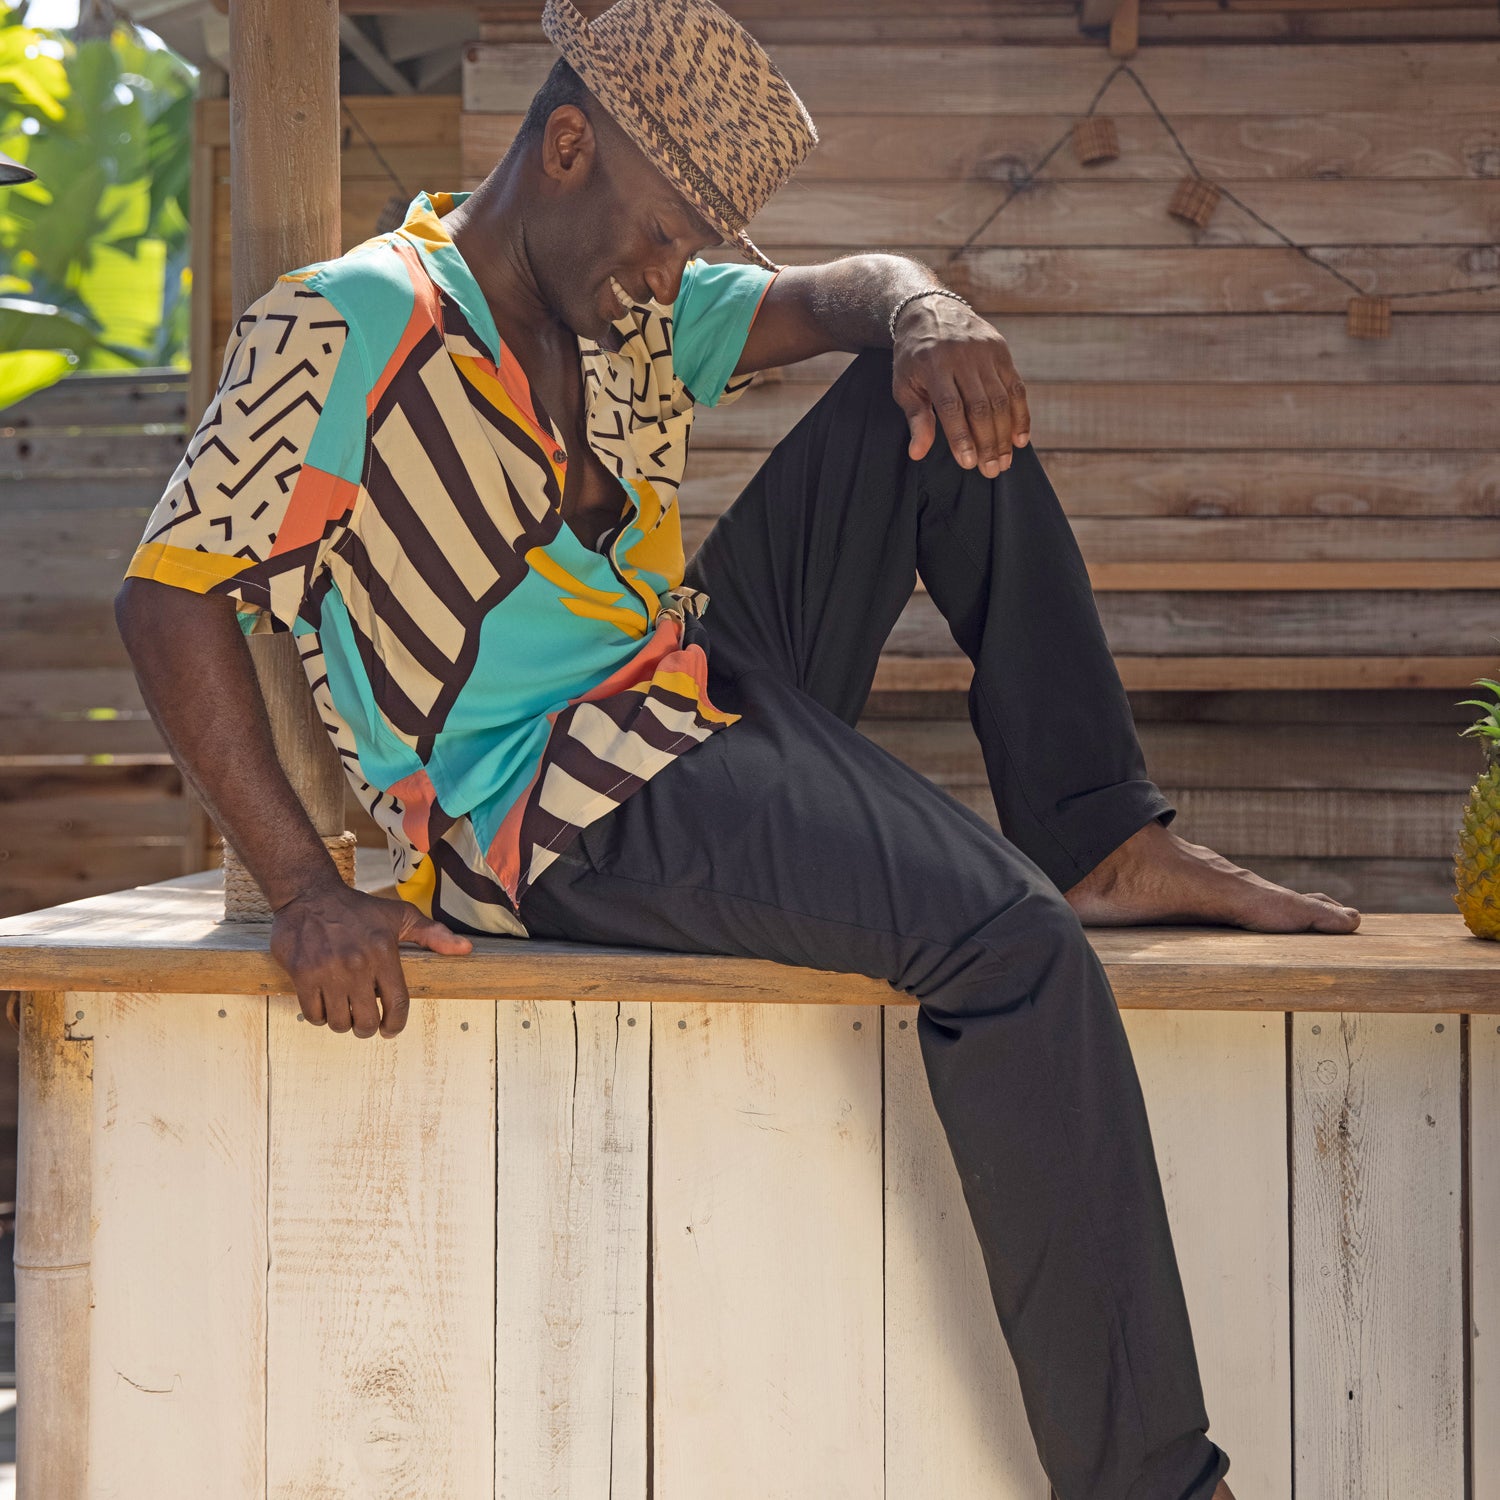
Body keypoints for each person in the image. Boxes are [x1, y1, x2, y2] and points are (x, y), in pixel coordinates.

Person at [115, 1, 1358, 1494]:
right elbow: (168, 590)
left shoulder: (625, 303)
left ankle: (1100, 833)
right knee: (1009, 946)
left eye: (688, 250)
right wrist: (306, 887)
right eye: (659, 237)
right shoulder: (347, 321)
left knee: (928, 402)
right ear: (564, 147)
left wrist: (930, 310)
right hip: (557, 801)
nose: (667, 280)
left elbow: (846, 293)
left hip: (698, 683)